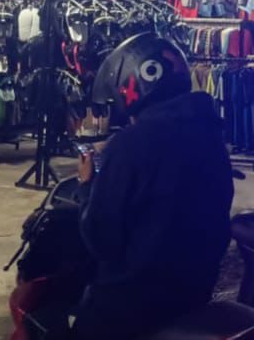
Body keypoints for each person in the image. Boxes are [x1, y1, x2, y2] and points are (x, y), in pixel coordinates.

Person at [72, 33, 234, 339]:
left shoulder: (131, 144)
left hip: (135, 298)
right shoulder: (209, 132)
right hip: (194, 288)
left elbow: (101, 237)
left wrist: (85, 186)